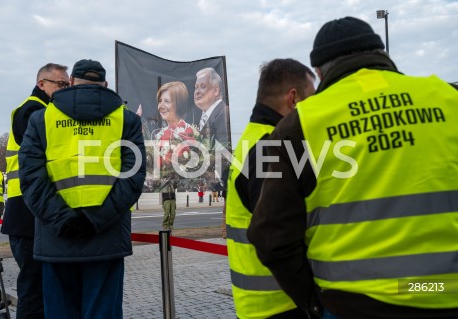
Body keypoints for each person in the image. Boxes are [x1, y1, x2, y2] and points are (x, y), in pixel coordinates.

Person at [248, 16, 458, 319]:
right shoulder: (447, 99)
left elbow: (269, 235)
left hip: (354, 305)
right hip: (444, 292)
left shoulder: (302, 124)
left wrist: (313, 302)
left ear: (319, 72)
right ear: (380, 53)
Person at [18, 59, 146, 319]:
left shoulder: (41, 119)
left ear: (72, 82)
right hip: (106, 238)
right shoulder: (127, 120)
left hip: (57, 239)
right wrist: (95, 221)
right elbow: (132, 179)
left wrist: (63, 220)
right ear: (105, 84)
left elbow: (32, 180)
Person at [226, 59, 316, 319]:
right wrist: (312, 300)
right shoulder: (269, 147)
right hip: (282, 304)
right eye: (312, 98)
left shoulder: (253, 139)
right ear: (294, 99)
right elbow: (275, 235)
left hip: (262, 303)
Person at [1, 62, 69, 319]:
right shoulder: (32, 110)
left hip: (31, 210)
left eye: (67, 84)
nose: (64, 89)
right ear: (42, 84)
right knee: (33, 287)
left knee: (40, 286)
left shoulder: (45, 109)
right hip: (26, 212)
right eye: (60, 84)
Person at [153, 81, 199, 173]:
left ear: (179, 104)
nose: (161, 106)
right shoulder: (159, 135)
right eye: (159, 101)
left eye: (167, 101)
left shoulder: (191, 133)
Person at [194, 67, 229, 149]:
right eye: (196, 87)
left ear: (216, 90)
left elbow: (224, 149)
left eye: (202, 86)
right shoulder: (200, 117)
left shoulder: (224, 113)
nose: (197, 92)